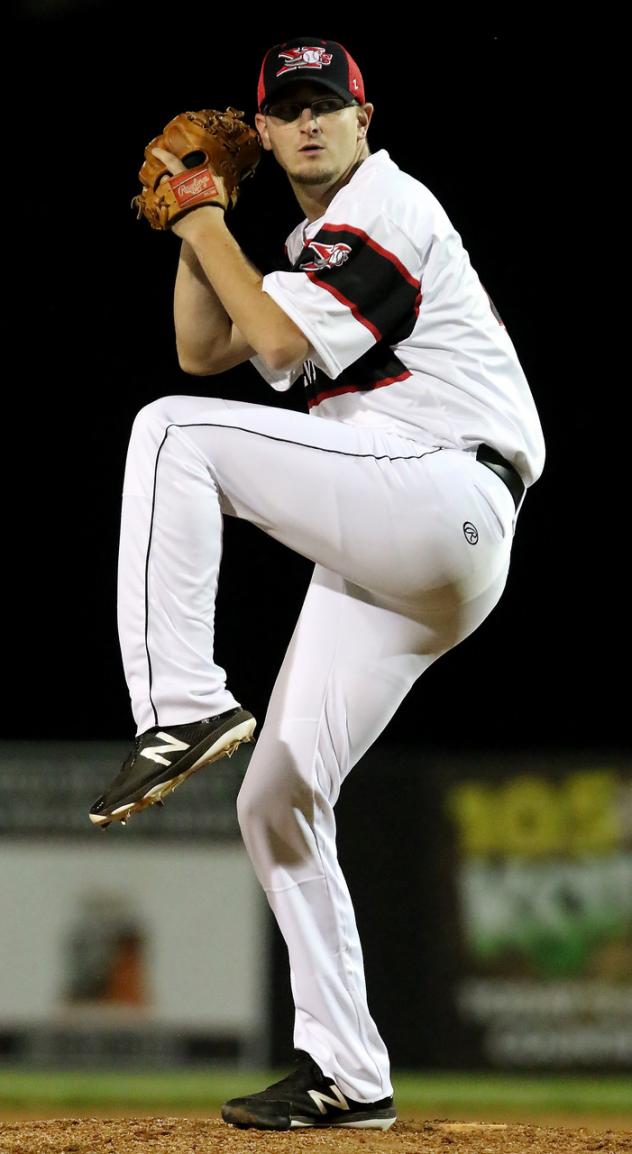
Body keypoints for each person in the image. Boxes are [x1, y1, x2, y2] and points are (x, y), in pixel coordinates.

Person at [90, 35, 545, 1132]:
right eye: (286, 108)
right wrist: (200, 222)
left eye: (324, 105)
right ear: (269, 128)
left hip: (441, 493)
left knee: (166, 435)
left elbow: (278, 351)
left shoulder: (388, 206)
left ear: (363, 118)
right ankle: (347, 1068)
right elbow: (208, 345)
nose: (305, 123)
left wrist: (200, 211)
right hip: (405, 540)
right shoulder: (305, 243)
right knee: (277, 794)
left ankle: (183, 701)